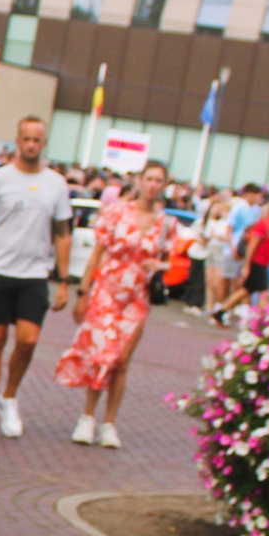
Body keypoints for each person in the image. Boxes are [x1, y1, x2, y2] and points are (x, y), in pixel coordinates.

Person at [0, 115, 73, 441]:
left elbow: (63, 232)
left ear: (44, 143)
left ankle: (8, 396)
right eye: (26, 138)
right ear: (17, 140)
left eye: (37, 140)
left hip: (34, 274)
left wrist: (64, 279)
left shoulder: (56, 183)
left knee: (28, 340)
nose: (31, 145)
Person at [57, 158, 176, 448]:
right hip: (107, 290)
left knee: (122, 360)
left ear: (164, 185)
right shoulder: (117, 213)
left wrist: (158, 266)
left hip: (136, 295)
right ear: (140, 180)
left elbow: (171, 261)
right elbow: (97, 252)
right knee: (101, 354)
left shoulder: (166, 223)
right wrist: (84, 292)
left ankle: (109, 422)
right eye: (148, 178)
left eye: (158, 180)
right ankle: (87, 417)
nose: (152, 185)